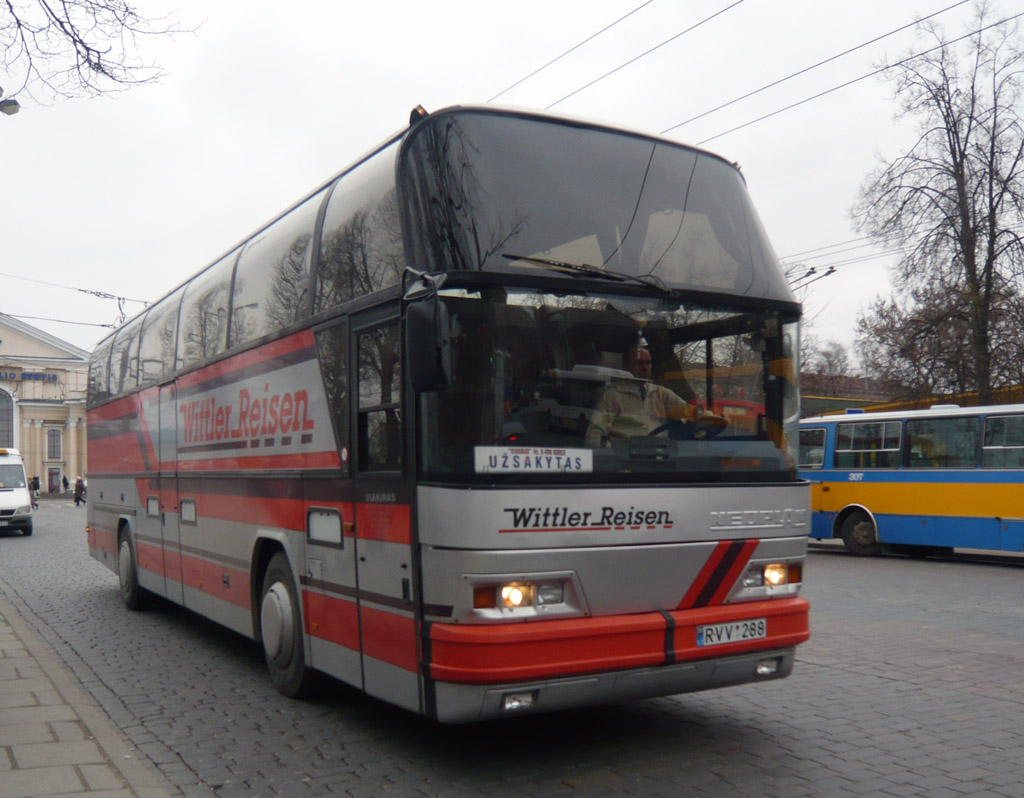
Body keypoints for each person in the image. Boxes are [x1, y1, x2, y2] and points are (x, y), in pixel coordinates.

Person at [585, 346, 692, 446]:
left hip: (660, 455)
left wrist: (704, 414)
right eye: (639, 363)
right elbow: (594, 436)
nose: (645, 368)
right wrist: (615, 454)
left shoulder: (661, 393)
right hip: (627, 458)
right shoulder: (611, 396)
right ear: (626, 366)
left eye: (648, 363)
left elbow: (690, 412)